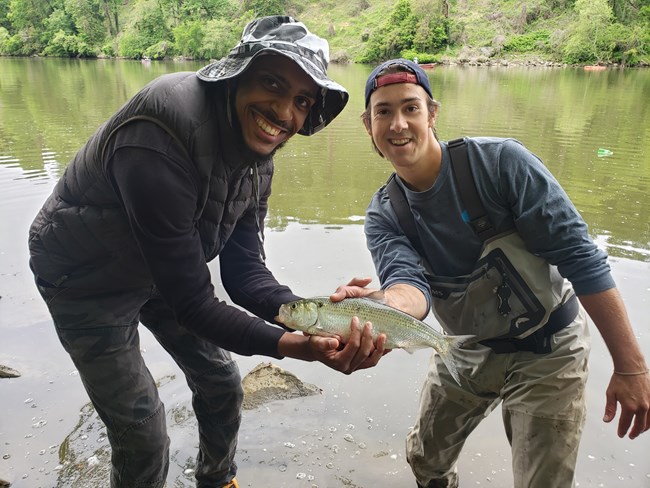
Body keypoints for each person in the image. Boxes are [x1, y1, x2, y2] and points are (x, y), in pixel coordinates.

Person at [27, 16, 386, 488]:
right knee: (142, 433)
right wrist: (293, 347)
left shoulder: (258, 154)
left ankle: (217, 480)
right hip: (85, 277)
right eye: (272, 83)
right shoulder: (160, 131)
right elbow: (194, 304)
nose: (284, 112)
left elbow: (244, 272)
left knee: (221, 383)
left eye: (302, 101)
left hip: (166, 271)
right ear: (237, 76)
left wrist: (313, 318)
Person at [337, 58, 650, 487]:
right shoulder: (384, 213)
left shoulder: (502, 164)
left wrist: (630, 367)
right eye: (383, 112)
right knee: (426, 461)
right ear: (367, 125)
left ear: (432, 113)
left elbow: (582, 259)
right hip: (463, 349)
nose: (398, 124)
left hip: (549, 350)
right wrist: (383, 306)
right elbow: (407, 284)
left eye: (411, 107)